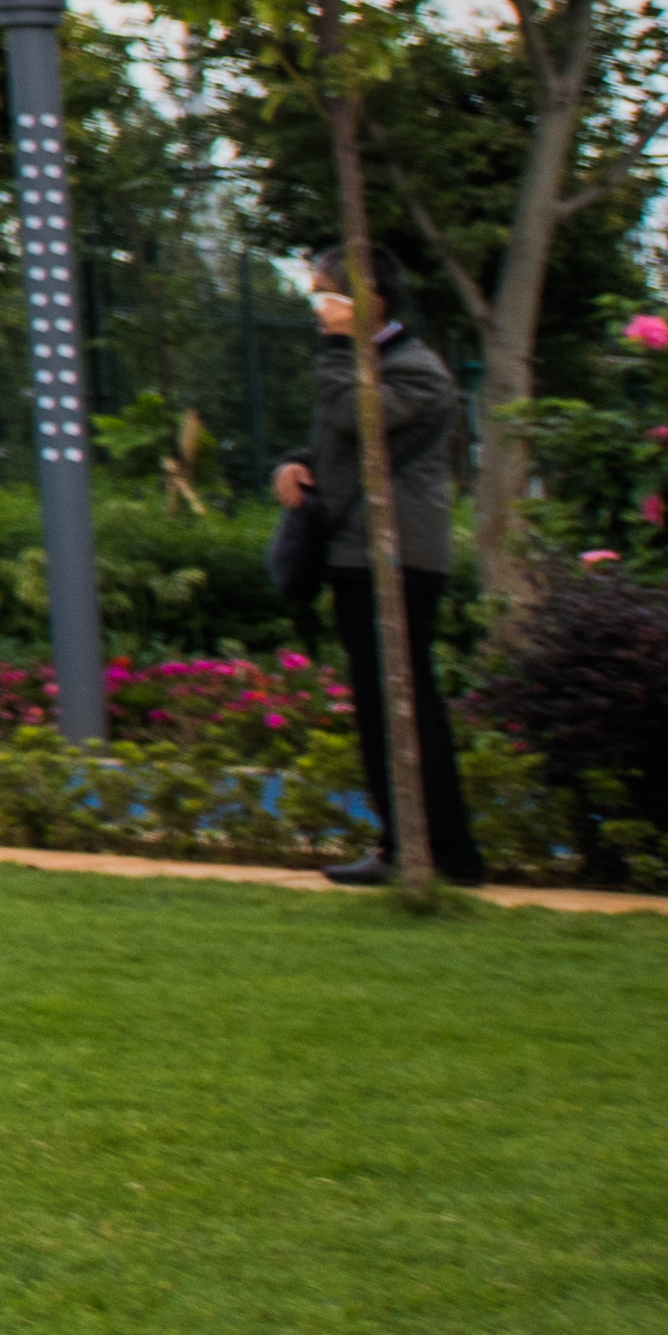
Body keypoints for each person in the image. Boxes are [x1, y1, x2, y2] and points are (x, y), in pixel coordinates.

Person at [268, 258, 477, 885]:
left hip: (395, 559)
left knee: (405, 706)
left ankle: (444, 855)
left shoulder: (416, 371)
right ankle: (407, 846)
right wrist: (293, 465)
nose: (316, 306)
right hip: (360, 554)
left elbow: (357, 417)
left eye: (328, 294)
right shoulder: (375, 366)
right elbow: (344, 445)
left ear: (371, 300)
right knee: (383, 707)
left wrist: (337, 343)